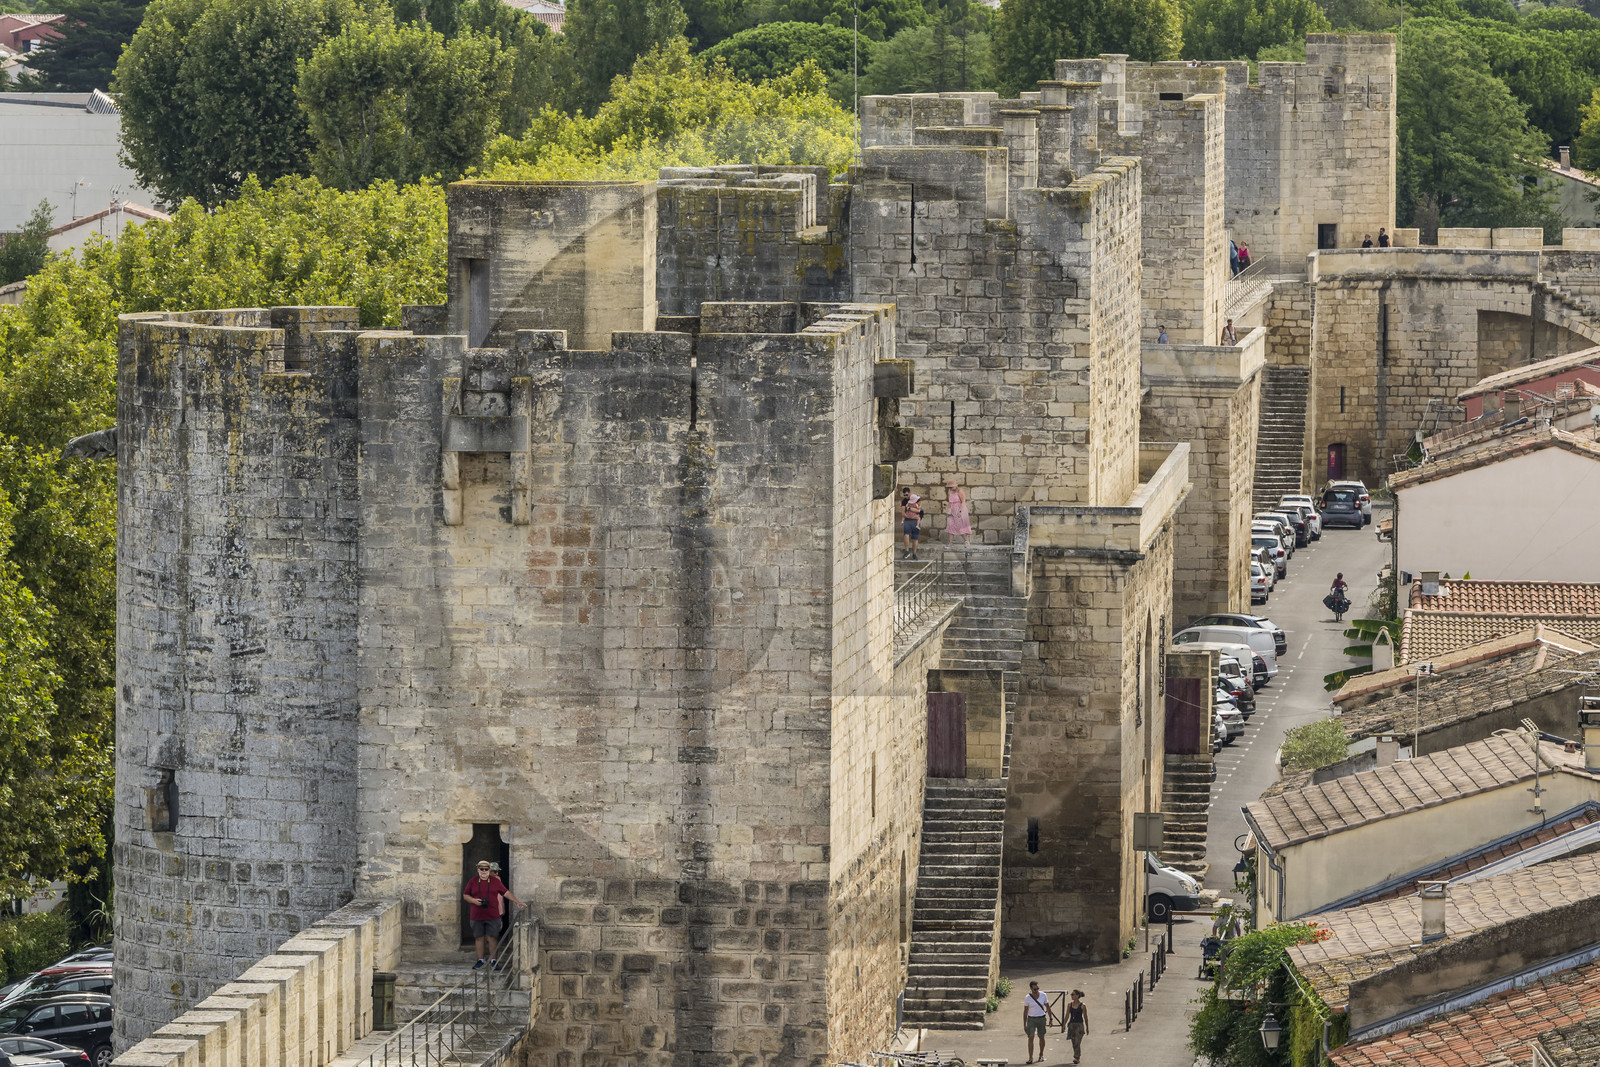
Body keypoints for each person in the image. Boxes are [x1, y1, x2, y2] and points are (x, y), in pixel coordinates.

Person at [463, 861, 525, 970]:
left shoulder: (495, 881)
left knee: (492, 938)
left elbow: (506, 892)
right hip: (477, 916)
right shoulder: (473, 881)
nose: (484, 871)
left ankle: (493, 961)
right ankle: (480, 960)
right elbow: (465, 895)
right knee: (479, 938)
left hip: (493, 915)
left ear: (489, 870)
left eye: (486, 869)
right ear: (478, 870)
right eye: (481, 869)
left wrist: (517, 901)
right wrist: (473, 900)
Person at [1023, 980, 1052, 1063]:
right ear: (1031, 989)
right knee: (1030, 1037)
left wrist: (1051, 1019)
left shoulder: (1043, 995)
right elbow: (1025, 1011)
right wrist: (1024, 1024)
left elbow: (1048, 1007)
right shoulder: (1027, 997)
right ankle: (1030, 1057)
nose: (1036, 991)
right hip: (1031, 1019)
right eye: (1034, 989)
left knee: (1041, 1037)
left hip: (1041, 1018)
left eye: (1037, 988)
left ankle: (1041, 1055)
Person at [944, 480, 972, 546]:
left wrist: (960, 511)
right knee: (950, 524)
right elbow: (950, 502)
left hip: (959, 509)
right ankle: (950, 543)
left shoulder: (960, 491)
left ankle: (966, 541)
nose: (951, 488)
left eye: (952, 487)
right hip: (952, 509)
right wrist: (948, 510)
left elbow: (963, 502)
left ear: (955, 485)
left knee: (960, 525)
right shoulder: (949, 491)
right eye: (949, 487)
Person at [1066, 990, 1090, 1064]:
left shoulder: (1082, 1006)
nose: (1071, 996)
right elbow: (1067, 1015)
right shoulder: (1069, 1005)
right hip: (1072, 1025)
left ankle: (1077, 1057)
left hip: (1079, 1025)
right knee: (1073, 1042)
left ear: (1077, 996)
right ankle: (1077, 1056)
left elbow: (1085, 1017)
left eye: (1073, 994)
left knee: (1077, 1042)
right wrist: (1063, 1024)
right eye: (1071, 994)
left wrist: (1087, 1027)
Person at [900, 487, 923, 560]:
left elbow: (919, 510)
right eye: (904, 495)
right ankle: (907, 550)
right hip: (907, 520)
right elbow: (903, 512)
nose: (906, 496)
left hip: (915, 521)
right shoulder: (904, 501)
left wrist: (910, 509)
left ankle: (914, 553)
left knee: (915, 538)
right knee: (906, 535)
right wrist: (908, 516)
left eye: (906, 495)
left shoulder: (916, 499)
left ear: (909, 493)